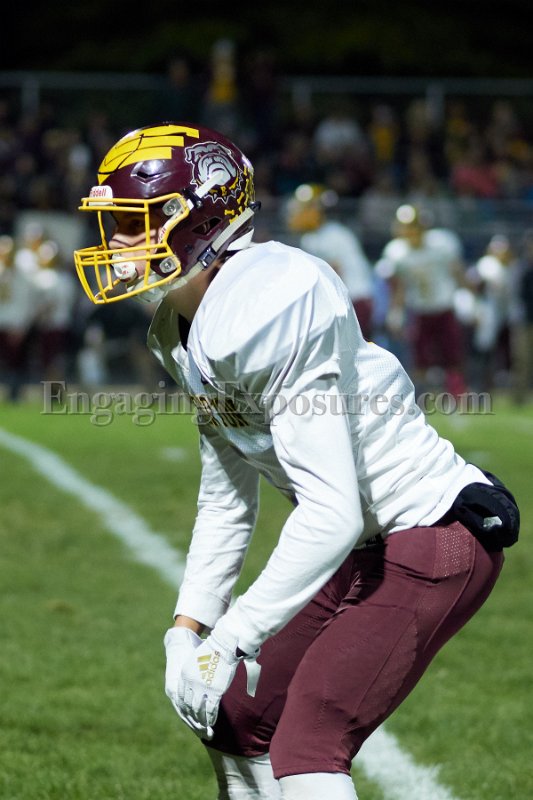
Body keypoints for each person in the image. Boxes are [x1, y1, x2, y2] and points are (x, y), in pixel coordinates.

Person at [73, 123, 519, 800]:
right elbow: (225, 497)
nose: (116, 243)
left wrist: (231, 638)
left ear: (199, 218)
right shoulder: (180, 324)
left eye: (134, 222)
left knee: (309, 743)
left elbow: (333, 511)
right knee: (236, 720)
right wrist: (186, 630)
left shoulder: (269, 298)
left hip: (431, 530)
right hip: (365, 543)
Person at [382, 203, 468, 396]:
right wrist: (395, 311)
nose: (411, 231)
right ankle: (422, 395)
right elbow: (399, 286)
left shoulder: (442, 243)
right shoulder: (396, 252)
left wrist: (467, 296)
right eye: (407, 227)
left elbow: (457, 271)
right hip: (419, 308)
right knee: (420, 356)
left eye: (414, 226)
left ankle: (457, 393)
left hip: (444, 305)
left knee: (452, 353)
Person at [286, 182, 375, 340]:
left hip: (355, 300)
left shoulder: (334, 234)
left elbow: (333, 273)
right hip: (346, 301)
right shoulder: (311, 238)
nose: (296, 214)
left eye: (302, 209)